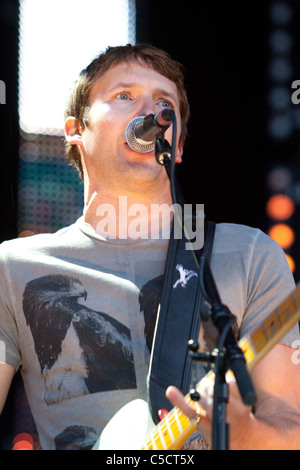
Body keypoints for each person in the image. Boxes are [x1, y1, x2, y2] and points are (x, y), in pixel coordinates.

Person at [0, 43, 300, 451]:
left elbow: (290, 426)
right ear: (75, 130)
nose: (151, 113)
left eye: (164, 104)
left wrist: (248, 434)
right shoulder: (13, 267)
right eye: (124, 95)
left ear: (175, 147)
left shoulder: (248, 254)